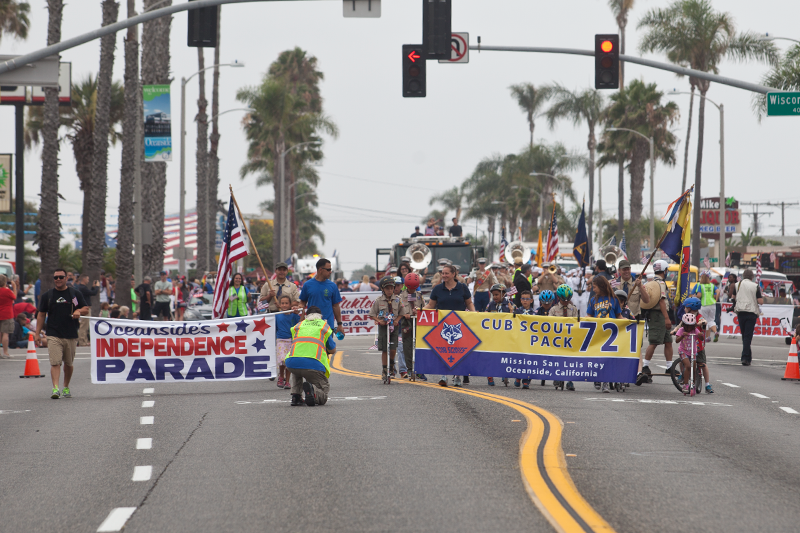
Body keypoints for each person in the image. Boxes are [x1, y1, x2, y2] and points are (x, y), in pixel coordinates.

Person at [36, 268, 89, 399]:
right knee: (55, 362)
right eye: (56, 278)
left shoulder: (74, 294)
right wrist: (37, 333)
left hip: (71, 333)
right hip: (53, 333)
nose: (58, 280)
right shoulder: (48, 296)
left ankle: (66, 386)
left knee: (69, 363)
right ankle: (55, 388)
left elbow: (85, 309)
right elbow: (41, 314)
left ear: (66, 278)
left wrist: (79, 312)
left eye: (61, 277)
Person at [424, 264, 475, 387]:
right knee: (443, 350)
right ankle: (443, 375)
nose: (444, 275)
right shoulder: (437, 289)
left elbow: (469, 303)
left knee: (458, 350)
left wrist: (474, 314)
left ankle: (457, 376)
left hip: (459, 326)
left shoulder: (463, 288)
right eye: (442, 273)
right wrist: (420, 310)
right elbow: (431, 305)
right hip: (443, 326)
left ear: (454, 274)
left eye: (447, 273)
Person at [285, 306, 336, 407]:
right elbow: (332, 350)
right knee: (324, 392)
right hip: (313, 363)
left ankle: (296, 396)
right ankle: (313, 391)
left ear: (306, 316)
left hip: (291, 362)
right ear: (320, 316)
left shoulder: (299, 325)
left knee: (297, 364)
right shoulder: (324, 326)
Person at [637, 260, 674, 384]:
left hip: (660, 315)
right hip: (658, 315)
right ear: (664, 270)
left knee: (668, 341)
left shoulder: (653, 282)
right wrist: (667, 318)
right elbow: (661, 301)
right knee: (654, 341)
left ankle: (669, 367)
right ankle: (645, 366)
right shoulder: (660, 284)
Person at [369, 277, 403, 381]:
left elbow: (402, 312)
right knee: (384, 349)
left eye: (391, 288)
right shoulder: (378, 301)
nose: (389, 290)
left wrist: (397, 320)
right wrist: (379, 321)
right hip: (383, 327)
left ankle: (391, 365)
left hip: (394, 327)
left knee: (393, 348)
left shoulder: (398, 300)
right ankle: (384, 370)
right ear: (383, 289)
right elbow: (372, 314)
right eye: (387, 288)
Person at [299, 258, 344, 335]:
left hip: (327, 325)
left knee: (329, 347)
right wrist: (301, 320)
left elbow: (336, 306)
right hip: (311, 324)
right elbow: (302, 303)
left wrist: (339, 324)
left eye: (331, 270)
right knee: (314, 347)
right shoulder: (307, 285)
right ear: (320, 270)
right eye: (328, 270)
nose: (330, 272)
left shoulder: (333, 286)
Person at [679, 297, 714, 393]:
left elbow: (704, 321)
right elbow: (680, 325)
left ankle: (707, 384)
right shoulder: (686, 317)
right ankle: (683, 373)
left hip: (698, 345)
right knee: (682, 360)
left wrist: (698, 324)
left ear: (690, 308)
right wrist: (674, 331)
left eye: (685, 307)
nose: (684, 309)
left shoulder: (699, 317)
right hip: (687, 345)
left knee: (702, 364)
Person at [733, 269, 763, 366]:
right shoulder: (755, 286)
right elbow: (760, 301)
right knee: (748, 336)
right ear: (752, 277)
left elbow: (733, 297)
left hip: (741, 312)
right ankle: (745, 358)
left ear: (743, 276)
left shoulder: (737, 284)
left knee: (744, 335)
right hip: (751, 312)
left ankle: (747, 357)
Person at [275, 295, 303, 390]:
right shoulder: (277, 316)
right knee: (282, 360)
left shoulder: (294, 316)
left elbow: (300, 323)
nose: (284, 305)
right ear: (279, 304)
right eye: (282, 303)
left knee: (288, 361)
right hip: (281, 340)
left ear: (290, 304)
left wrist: (300, 312)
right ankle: (281, 376)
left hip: (291, 340)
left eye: (286, 303)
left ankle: (287, 381)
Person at [674, 313, 703, 394]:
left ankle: (693, 383)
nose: (689, 328)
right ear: (683, 324)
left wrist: (701, 335)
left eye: (691, 326)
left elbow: (701, 338)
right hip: (683, 351)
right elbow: (677, 341)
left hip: (693, 352)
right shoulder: (681, 330)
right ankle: (686, 384)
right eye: (687, 326)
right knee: (687, 366)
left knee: (693, 368)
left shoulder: (695, 330)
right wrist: (682, 336)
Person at [74, 274, 99, 345]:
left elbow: (89, 293)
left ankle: (83, 340)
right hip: (85, 309)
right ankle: (82, 341)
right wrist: (97, 286)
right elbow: (93, 293)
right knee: (84, 325)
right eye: (87, 279)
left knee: (85, 325)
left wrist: (93, 287)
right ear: (84, 279)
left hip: (86, 308)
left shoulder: (83, 288)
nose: (88, 281)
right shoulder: (82, 288)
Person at [691, 271, 718, 336]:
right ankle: (715, 332)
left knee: (703, 321)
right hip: (712, 305)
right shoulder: (712, 285)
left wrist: (695, 297)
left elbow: (698, 295)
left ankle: (706, 336)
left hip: (703, 305)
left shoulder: (699, 285)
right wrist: (716, 300)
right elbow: (718, 292)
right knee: (711, 320)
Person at [0, 275, 16, 358]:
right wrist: (14, 287)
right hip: (7, 314)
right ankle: (5, 352)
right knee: (5, 334)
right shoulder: (7, 291)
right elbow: (14, 297)